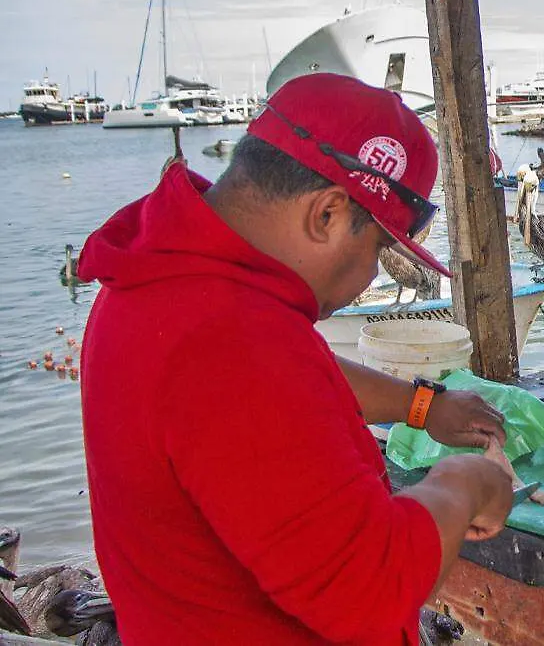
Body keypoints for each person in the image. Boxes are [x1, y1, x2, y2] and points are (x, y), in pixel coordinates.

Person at [77, 73, 516, 645]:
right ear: (327, 215)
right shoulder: (234, 340)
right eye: (378, 250)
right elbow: (368, 589)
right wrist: (465, 483)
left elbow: (294, 381)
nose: (368, 279)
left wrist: (422, 406)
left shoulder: (163, 280)